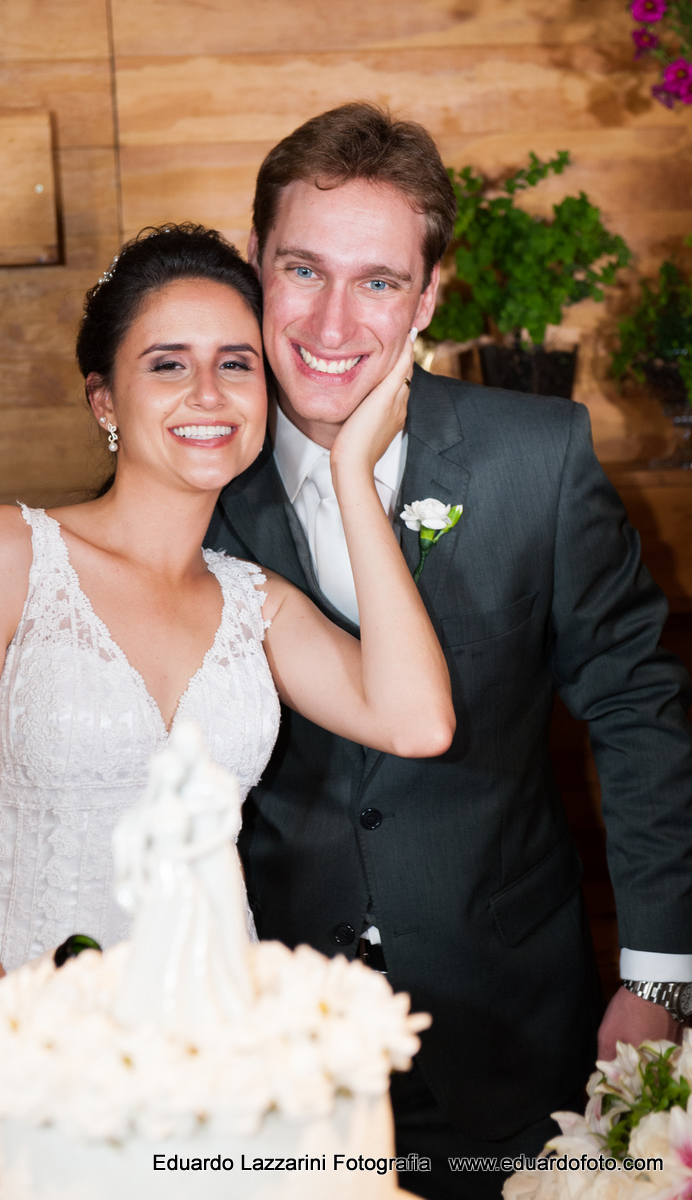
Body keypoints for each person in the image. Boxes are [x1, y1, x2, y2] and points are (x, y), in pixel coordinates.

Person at [204, 103, 692, 1200]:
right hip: (259, 1041)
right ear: (254, 265)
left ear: (429, 297)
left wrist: (657, 976)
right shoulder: (185, 472)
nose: (333, 322)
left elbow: (636, 712)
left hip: (511, 1015)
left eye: (378, 282)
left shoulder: (539, 459)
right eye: (301, 270)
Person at [0, 224, 454, 1021]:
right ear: (103, 398)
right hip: (22, 1062)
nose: (208, 393)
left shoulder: (257, 603)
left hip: (218, 1053)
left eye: (236, 363)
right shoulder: (5, 554)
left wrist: (349, 472)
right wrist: (30, 1070)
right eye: (168, 365)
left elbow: (416, 722)